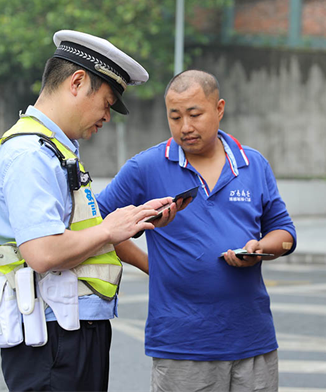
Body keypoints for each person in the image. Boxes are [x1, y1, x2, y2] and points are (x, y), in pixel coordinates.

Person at [0, 30, 178, 391]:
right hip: (52, 338)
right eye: (106, 102)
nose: (107, 117)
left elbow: (81, 230)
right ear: (77, 82)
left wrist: (131, 222)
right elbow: (41, 253)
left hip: (66, 331)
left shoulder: (55, 149)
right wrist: (109, 229)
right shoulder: (31, 155)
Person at [97, 70, 297, 392]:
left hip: (253, 339)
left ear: (219, 109)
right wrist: (151, 265)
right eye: (174, 117)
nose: (185, 127)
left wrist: (262, 248)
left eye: (194, 114)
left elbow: (284, 231)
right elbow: (97, 225)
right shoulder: (145, 168)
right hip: (182, 345)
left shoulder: (252, 164)